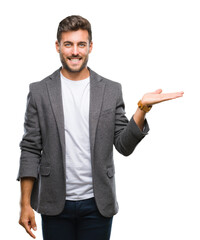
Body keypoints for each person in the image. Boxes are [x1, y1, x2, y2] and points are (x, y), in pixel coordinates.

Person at [17, 15, 184, 240]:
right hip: (54, 202)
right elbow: (30, 148)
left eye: (81, 44)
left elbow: (124, 146)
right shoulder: (39, 91)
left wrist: (142, 108)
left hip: (97, 205)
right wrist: (24, 204)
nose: (75, 51)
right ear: (58, 46)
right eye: (68, 44)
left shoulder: (111, 90)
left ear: (90, 47)